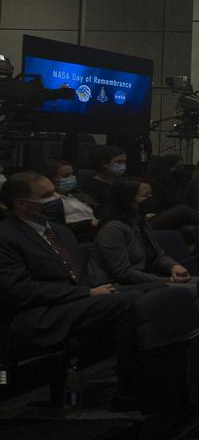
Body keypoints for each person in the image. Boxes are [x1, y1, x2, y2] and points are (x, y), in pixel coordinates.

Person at [0, 171, 140, 406]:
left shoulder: (59, 231)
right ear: (22, 203)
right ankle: (128, 392)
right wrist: (87, 293)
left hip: (74, 303)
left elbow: (78, 275)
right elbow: (20, 291)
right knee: (128, 303)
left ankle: (159, 379)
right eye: (47, 195)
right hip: (37, 314)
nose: (56, 199)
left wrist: (94, 291)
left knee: (154, 294)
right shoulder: (6, 237)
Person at [90, 179, 190, 286]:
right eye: (145, 196)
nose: (151, 199)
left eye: (151, 195)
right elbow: (123, 273)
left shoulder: (141, 222)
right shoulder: (113, 229)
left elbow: (159, 255)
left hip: (149, 278)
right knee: (195, 290)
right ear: (127, 201)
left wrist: (173, 266)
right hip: (120, 287)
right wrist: (165, 281)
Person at [45, 159, 100, 243]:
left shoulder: (77, 195)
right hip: (75, 238)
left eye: (72, 174)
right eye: (66, 175)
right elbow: (57, 227)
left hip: (94, 234)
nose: (72, 178)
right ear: (51, 178)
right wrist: (89, 223)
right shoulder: (51, 201)